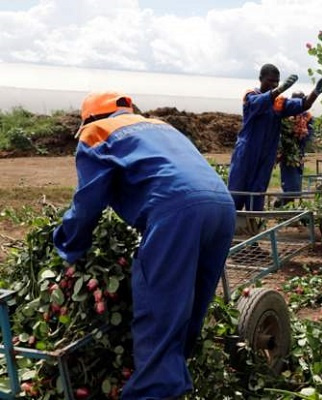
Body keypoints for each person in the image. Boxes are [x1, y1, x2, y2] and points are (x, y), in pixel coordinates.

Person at [53, 91, 235, 399]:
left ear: (90, 118)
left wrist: (68, 246)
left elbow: (88, 202)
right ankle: (174, 383)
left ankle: (152, 392)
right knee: (186, 310)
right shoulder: (161, 126)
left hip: (177, 212)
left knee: (159, 315)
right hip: (222, 208)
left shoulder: (96, 132)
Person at [228, 63, 322, 211]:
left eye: (277, 81)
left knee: (258, 189)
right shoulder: (251, 95)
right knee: (237, 187)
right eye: (270, 80)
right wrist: (280, 89)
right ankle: (231, 223)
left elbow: (303, 104)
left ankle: (252, 224)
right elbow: (257, 104)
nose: (274, 84)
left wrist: (316, 92)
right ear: (260, 79)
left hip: (267, 153)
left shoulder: (279, 103)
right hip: (247, 150)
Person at [274, 91, 314, 207]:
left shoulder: (307, 117)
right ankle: (281, 205)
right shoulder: (285, 116)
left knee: (296, 183)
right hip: (287, 154)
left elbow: (308, 135)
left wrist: (300, 137)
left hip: (298, 154)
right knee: (290, 184)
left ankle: (285, 206)